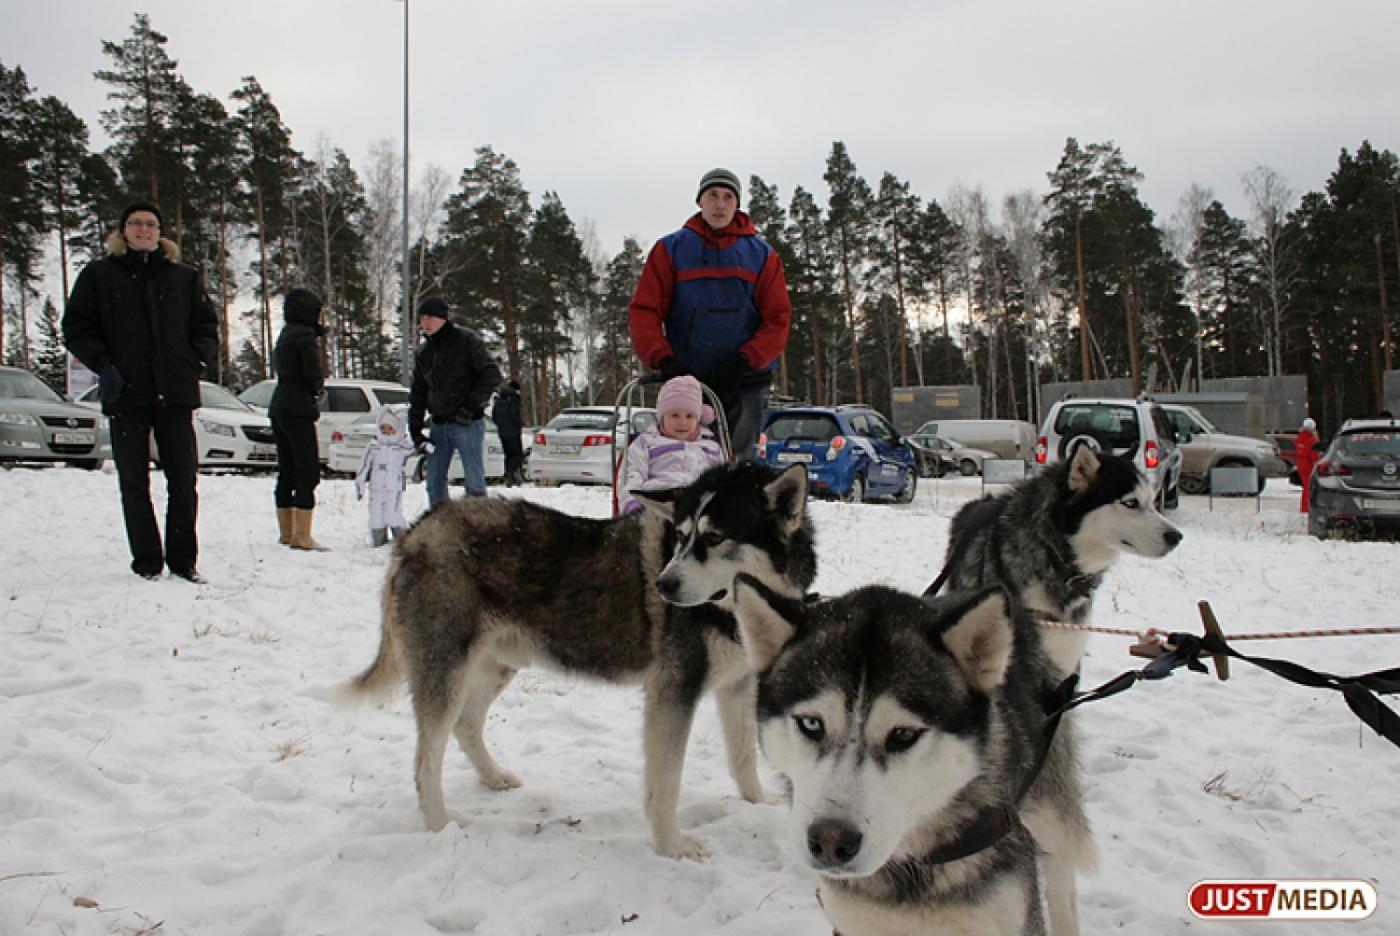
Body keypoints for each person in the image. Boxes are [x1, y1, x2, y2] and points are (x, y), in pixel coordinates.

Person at [62, 200, 219, 582]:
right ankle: (147, 561)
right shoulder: (99, 276)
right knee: (134, 482)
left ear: (160, 233)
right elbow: (76, 328)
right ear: (123, 231)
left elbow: (206, 328)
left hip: (175, 393)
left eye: (151, 224)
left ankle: (183, 561)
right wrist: (105, 366)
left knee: (183, 480)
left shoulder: (183, 278)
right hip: (126, 393)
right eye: (136, 223)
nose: (143, 230)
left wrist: (193, 361)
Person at [628, 167, 794, 460]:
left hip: (743, 381)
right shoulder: (671, 250)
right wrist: (664, 360)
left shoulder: (761, 255)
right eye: (713, 195)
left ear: (737, 204)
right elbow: (645, 311)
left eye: (728, 197)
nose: (720, 204)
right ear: (700, 201)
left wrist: (745, 360)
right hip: (687, 381)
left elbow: (778, 318)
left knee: (736, 464)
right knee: (679, 460)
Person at [408, 295, 502, 506]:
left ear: (443, 318)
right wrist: (415, 431)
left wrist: (470, 406)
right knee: (434, 481)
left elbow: (491, 375)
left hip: (468, 423)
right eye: (422, 318)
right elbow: (418, 394)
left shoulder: (466, 341)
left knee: (474, 482)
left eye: (430, 318)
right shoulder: (423, 352)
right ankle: (440, 520)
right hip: (438, 425)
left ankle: (477, 521)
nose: (425, 323)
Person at [269, 288, 329, 550]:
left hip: (279, 406)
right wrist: (318, 388)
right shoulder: (305, 336)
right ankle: (302, 535)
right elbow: (312, 370)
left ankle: (287, 531)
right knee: (307, 471)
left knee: (287, 470)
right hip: (299, 407)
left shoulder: (285, 334)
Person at [617, 375, 725, 514]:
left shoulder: (711, 447)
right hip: (658, 504)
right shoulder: (646, 442)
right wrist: (632, 503)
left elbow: (722, 479)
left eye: (689, 416)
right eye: (675, 415)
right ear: (662, 416)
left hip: (700, 507)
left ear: (698, 419)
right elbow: (631, 475)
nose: (682, 423)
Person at [355, 406, 414, 546]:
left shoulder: (402, 447)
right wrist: (360, 484)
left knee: (392, 514)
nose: (386, 431)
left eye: (390, 428)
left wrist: (426, 447)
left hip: (394, 487)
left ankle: (402, 540)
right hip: (376, 487)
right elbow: (364, 466)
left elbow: (417, 449)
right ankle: (379, 541)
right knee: (376, 516)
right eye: (383, 428)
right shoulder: (374, 446)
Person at [491, 378, 525, 486]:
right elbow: (514, 415)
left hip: (502, 433)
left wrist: (501, 426)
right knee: (517, 455)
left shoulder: (499, 399)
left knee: (508, 455)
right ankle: (510, 474)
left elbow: (494, 417)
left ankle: (509, 477)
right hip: (513, 432)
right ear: (516, 389)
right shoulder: (514, 399)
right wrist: (519, 424)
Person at [1295, 417, 1321, 513]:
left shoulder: (1299, 438)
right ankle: (1306, 508)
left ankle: (1304, 507)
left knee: (1305, 486)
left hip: (1300, 463)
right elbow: (1315, 455)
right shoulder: (1312, 440)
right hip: (1308, 464)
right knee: (1309, 487)